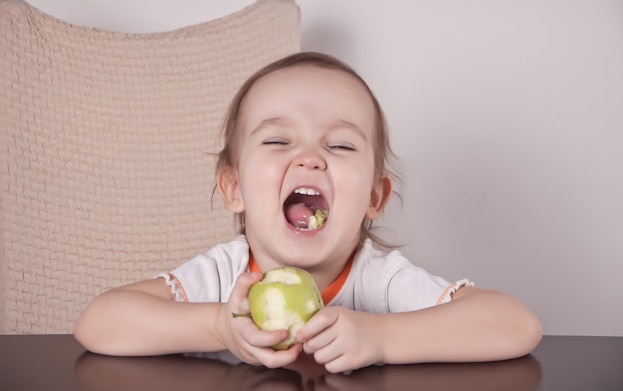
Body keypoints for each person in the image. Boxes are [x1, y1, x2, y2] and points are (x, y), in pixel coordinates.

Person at [74, 51, 542, 373]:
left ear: (373, 200)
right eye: (278, 140)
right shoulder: (225, 278)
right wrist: (219, 326)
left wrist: (382, 338)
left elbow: (516, 325)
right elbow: (98, 322)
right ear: (234, 188)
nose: (310, 157)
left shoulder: (379, 282)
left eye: (339, 144)